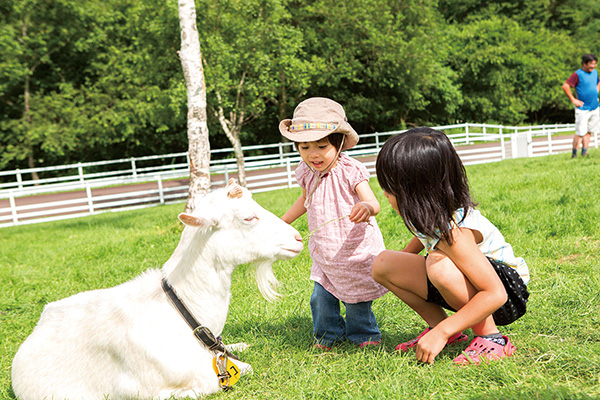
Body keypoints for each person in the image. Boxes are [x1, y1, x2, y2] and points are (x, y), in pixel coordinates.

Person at [372, 127, 530, 365]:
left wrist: (442, 331)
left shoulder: (456, 234)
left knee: (438, 265)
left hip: (507, 294)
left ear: (417, 191)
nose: (384, 193)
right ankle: (447, 331)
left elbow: (495, 293)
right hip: (470, 286)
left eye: (391, 187)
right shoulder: (428, 217)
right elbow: (423, 239)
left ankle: (491, 339)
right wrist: (399, 269)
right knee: (384, 263)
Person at [280, 97, 388, 350]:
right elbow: (304, 199)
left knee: (356, 299)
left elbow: (373, 201)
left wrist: (366, 207)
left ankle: (364, 335)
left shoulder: (351, 170)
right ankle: (327, 335)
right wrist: (282, 222)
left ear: (339, 143)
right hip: (325, 251)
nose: (313, 154)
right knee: (321, 298)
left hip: (354, 250)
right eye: (304, 147)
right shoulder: (306, 172)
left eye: (321, 146)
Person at [561, 53, 600, 158]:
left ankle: (584, 152)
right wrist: (573, 99)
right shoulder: (577, 74)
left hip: (595, 106)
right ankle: (574, 154)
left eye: (595, 64)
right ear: (584, 63)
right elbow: (565, 86)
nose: (593, 66)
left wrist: (596, 93)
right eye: (591, 64)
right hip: (583, 108)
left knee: (589, 131)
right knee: (580, 132)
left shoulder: (595, 72)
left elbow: (598, 83)